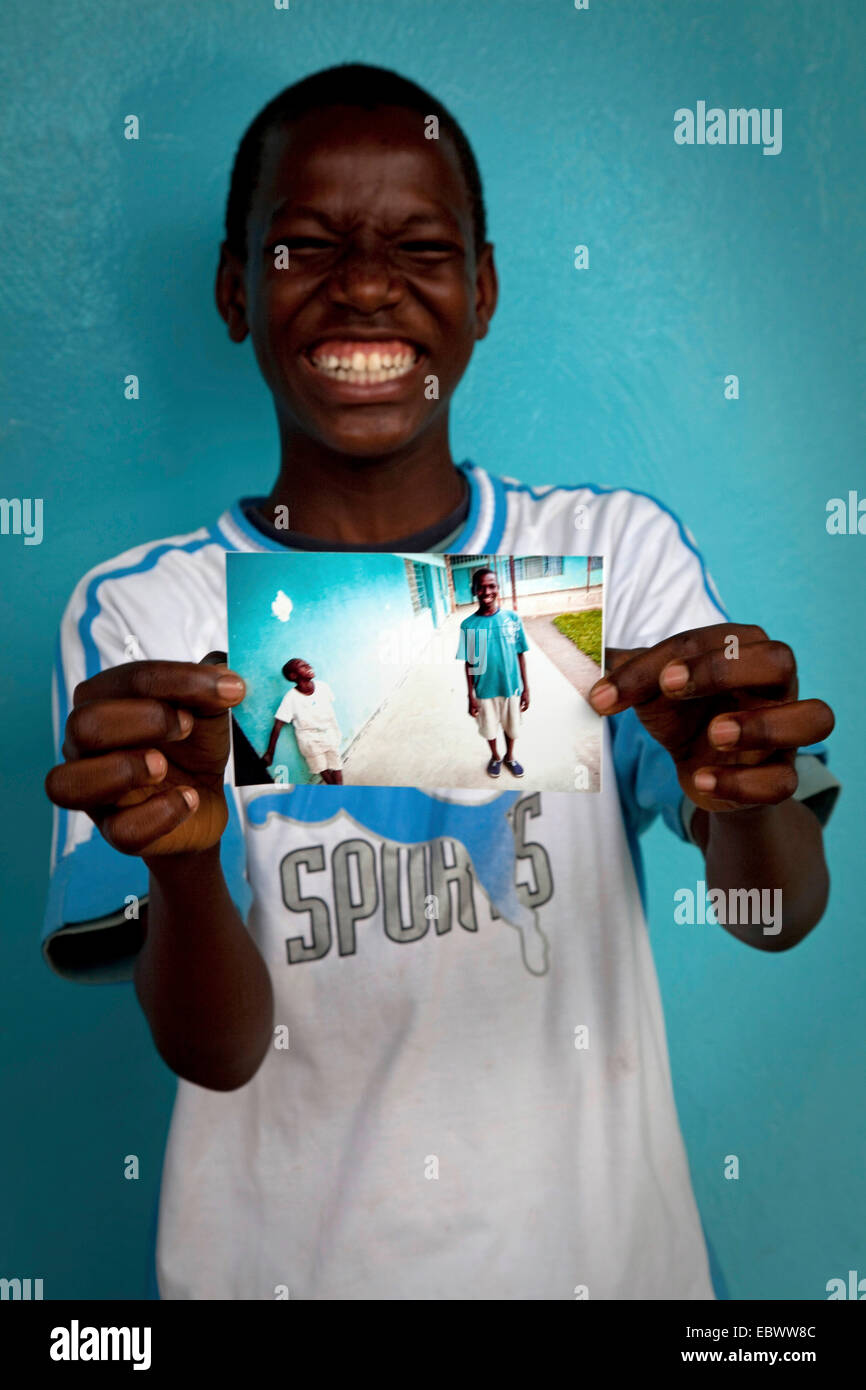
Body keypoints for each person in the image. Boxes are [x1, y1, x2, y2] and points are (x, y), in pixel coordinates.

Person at [42, 64, 839, 1301]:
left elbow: (770, 916)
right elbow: (217, 1050)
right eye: (305, 245)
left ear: (483, 291)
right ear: (232, 290)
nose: (364, 284)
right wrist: (184, 865)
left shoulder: (613, 553)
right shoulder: (146, 621)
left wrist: (743, 794)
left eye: (418, 247)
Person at [458, 567, 529, 777]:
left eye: (492, 586)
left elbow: (520, 654)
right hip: (485, 690)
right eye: (481, 587)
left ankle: (510, 756)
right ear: (474, 590)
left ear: (498, 588)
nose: (487, 591)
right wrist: (470, 695)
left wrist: (526, 689)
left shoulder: (512, 619)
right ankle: (496, 756)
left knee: (511, 727)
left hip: (511, 687)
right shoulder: (469, 625)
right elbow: (471, 662)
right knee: (489, 729)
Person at [262, 657, 343, 785]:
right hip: (310, 741)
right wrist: (270, 753)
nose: (309, 667)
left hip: (329, 733)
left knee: (336, 763)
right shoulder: (291, 698)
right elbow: (278, 725)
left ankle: (339, 789)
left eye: (308, 665)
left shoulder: (323, 687)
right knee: (321, 767)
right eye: (303, 666)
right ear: (293, 675)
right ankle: (335, 789)